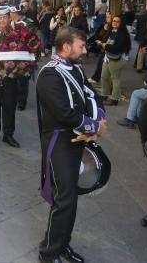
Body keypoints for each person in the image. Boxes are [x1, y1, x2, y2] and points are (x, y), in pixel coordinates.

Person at [36, 26, 106, 263]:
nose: (85, 50)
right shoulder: (49, 74)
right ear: (66, 46)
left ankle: (62, 244)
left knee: (70, 198)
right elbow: (64, 113)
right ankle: (48, 253)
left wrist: (100, 119)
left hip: (76, 139)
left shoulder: (73, 68)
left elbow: (91, 95)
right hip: (60, 141)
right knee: (63, 199)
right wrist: (93, 128)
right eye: (81, 46)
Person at [0, 5, 40, 148]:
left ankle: (8, 135)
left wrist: (20, 68)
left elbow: (28, 49)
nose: (2, 20)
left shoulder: (18, 33)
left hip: (12, 76)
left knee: (10, 105)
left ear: (10, 18)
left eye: (5, 17)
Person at [98, 14, 131, 106]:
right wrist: (103, 41)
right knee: (104, 76)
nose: (115, 23)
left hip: (118, 58)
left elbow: (118, 48)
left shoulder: (123, 34)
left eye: (117, 21)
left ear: (121, 23)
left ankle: (114, 99)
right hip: (108, 57)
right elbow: (102, 38)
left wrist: (105, 45)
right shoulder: (110, 31)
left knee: (115, 78)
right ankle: (104, 94)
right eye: (113, 21)